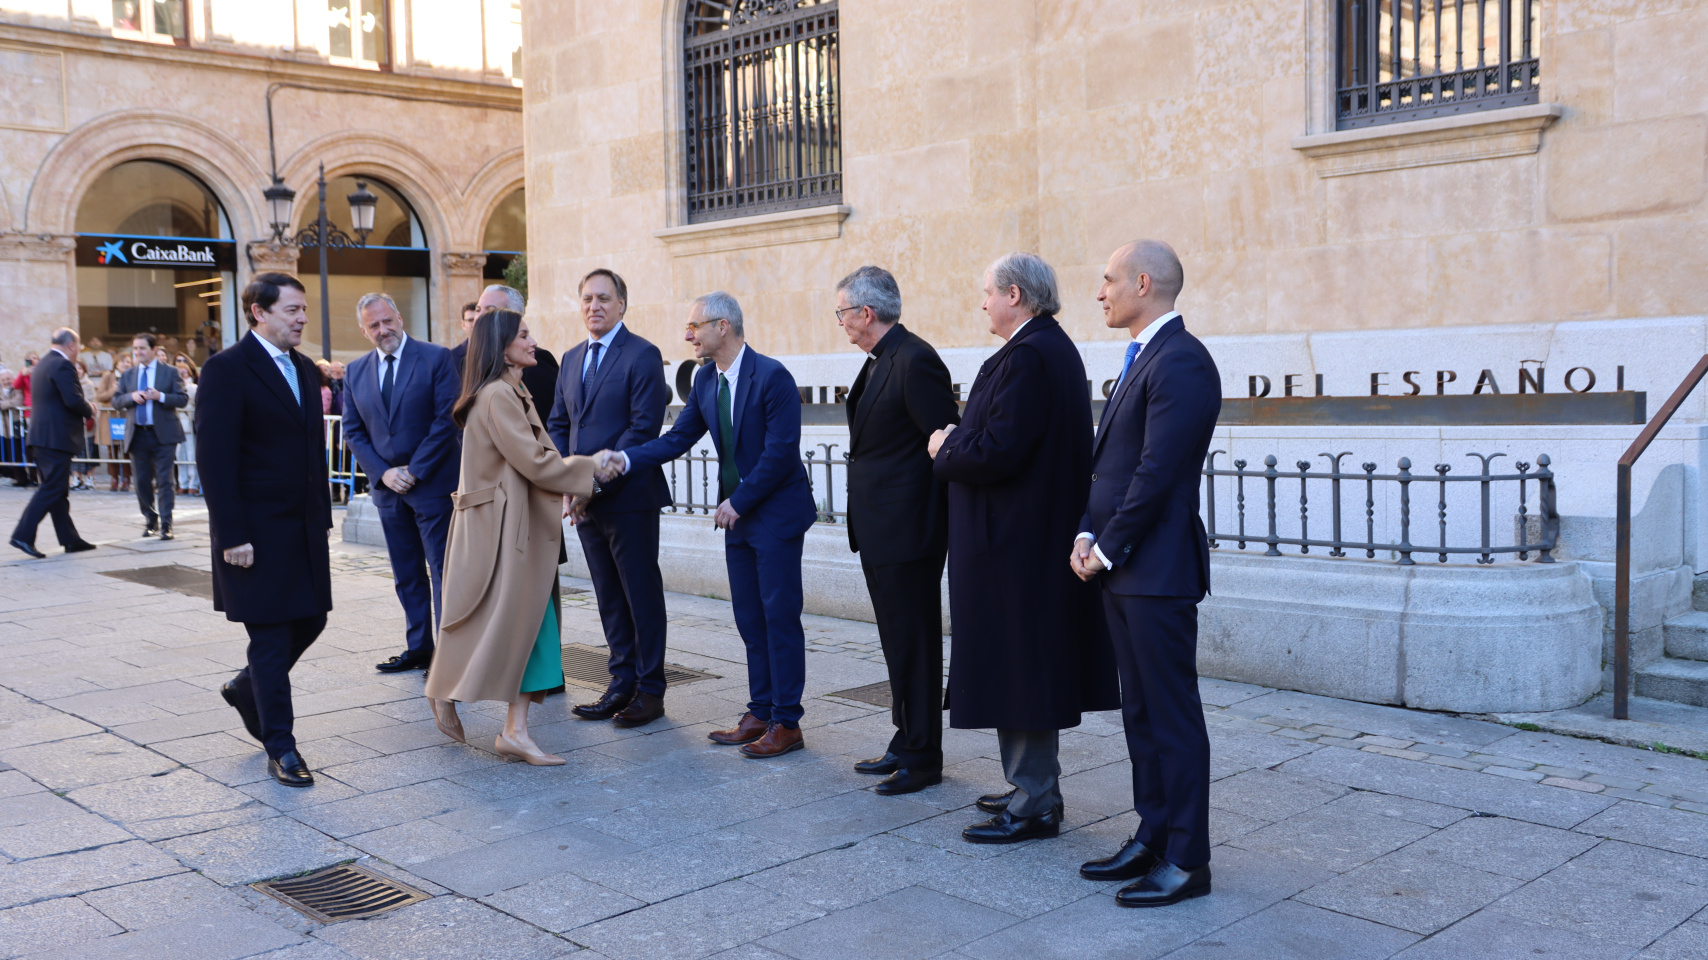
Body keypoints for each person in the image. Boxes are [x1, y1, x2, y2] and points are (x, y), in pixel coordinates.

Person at [928, 253, 1119, 844]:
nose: (982, 303)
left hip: (1017, 549)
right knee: (1016, 667)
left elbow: (1000, 449)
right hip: (1016, 542)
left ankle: (1035, 798)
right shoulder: (1036, 350)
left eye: (987, 293)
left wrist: (946, 447)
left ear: (1015, 294)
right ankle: (1028, 784)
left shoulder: (1031, 356)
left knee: (1022, 670)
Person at [599, 292, 817, 758]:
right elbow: (678, 437)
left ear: (723, 326)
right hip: (738, 519)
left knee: (779, 618)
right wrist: (626, 458)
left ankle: (787, 721)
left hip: (774, 516)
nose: (687, 335)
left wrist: (739, 499)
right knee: (749, 619)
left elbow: (781, 453)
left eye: (694, 326)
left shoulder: (772, 376)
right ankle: (760, 711)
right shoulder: (704, 379)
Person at [1074, 241, 1222, 908]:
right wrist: (1086, 531)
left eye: (1107, 281)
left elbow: (1156, 474)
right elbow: (1110, 468)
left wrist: (1107, 549)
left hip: (1155, 571)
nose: (1100, 293)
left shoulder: (1182, 361)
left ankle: (1188, 859)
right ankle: (1153, 833)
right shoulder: (1144, 357)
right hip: (1125, 568)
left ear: (1143, 282)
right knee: (1139, 711)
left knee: (1172, 717)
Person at [425, 309, 598, 765]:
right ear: (501, 345)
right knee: (498, 620)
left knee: (533, 626)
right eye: (523, 335)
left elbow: (540, 456)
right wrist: (593, 471)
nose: (532, 341)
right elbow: (535, 462)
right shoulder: (498, 395)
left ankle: (515, 731)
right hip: (501, 532)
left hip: (514, 526)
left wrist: (573, 480)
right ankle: (445, 689)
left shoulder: (512, 388)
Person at [198, 272, 334, 788]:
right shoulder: (226, 369)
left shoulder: (303, 369)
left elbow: (308, 455)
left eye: (303, 310)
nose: (302, 319)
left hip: (301, 530)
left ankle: (244, 688)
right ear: (259, 312)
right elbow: (215, 459)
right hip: (253, 534)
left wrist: (320, 520)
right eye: (292, 310)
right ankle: (283, 745)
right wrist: (231, 535)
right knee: (272, 640)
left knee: (313, 620)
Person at [835, 266, 959, 796]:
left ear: (866, 313)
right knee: (895, 644)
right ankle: (904, 736)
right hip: (880, 529)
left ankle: (923, 757)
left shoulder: (915, 359)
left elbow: (942, 444)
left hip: (908, 531)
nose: (840, 322)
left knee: (916, 644)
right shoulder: (879, 360)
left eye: (843, 313)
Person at [547, 269, 672, 728]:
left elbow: (641, 429)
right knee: (607, 596)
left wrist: (589, 484)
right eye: (586, 298)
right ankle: (620, 682)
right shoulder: (571, 356)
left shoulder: (642, 355)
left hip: (628, 499)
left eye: (603, 298)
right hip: (586, 501)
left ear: (622, 304)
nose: (593, 306)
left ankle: (650, 691)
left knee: (639, 593)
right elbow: (559, 424)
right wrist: (569, 477)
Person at [342, 292, 461, 675]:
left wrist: (415, 470)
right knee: (406, 574)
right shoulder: (355, 371)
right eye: (373, 326)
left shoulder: (435, 357)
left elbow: (446, 420)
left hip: (432, 487)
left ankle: (448, 654)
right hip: (388, 492)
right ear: (364, 331)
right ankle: (418, 648)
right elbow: (353, 429)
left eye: (387, 321)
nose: (383, 330)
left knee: (443, 572)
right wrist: (383, 473)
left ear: (399, 317)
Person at [9, 329, 98, 559]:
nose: (78, 352)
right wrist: (90, 408)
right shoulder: (63, 365)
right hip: (55, 439)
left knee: (57, 489)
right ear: (71, 345)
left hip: (42, 437)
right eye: (78, 347)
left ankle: (70, 539)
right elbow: (73, 400)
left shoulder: (42, 364)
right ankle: (23, 535)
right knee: (52, 488)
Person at [111, 333, 188, 540]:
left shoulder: (170, 372)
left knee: (165, 481)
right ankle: (150, 519)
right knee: (142, 481)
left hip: (163, 435)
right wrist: (131, 397)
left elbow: (182, 399)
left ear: (154, 350)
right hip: (137, 435)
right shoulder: (128, 375)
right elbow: (116, 401)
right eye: (135, 349)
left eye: (142, 348)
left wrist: (160, 396)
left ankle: (166, 524)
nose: (138, 352)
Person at [452, 285, 559, 417]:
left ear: (514, 318)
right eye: (478, 310)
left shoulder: (534, 360)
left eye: (490, 310)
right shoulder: (466, 361)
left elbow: (545, 421)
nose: (479, 317)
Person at [97, 354, 133, 492]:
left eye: (128, 361)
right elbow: (100, 396)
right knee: (112, 450)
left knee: (126, 450)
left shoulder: (132, 376)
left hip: (126, 416)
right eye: (123, 361)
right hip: (110, 418)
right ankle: (114, 478)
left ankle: (126, 479)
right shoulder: (108, 376)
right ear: (116, 363)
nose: (125, 364)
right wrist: (113, 390)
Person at [174, 357, 199, 495]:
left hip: (188, 423)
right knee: (179, 455)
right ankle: (182, 483)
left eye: (185, 372)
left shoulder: (193, 387)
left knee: (191, 455)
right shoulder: (174, 387)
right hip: (177, 424)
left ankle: (193, 483)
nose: (183, 375)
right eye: (180, 373)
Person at [72, 360, 97, 491]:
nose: (78, 371)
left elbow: (89, 401)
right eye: (75, 368)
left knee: (89, 451)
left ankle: (90, 478)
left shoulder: (88, 384)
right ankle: (77, 478)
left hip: (86, 422)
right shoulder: (70, 383)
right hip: (74, 424)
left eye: (80, 368)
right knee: (76, 453)